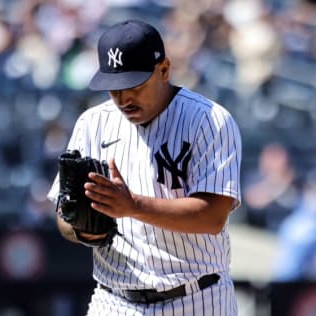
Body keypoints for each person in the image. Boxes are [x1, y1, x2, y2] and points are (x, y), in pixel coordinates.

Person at [47, 19, 242, 315]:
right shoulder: (92, 123)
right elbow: (63, 216)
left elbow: (213, 217)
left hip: (196, 297)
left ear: (163, 69)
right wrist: (84, 230)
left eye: (133, 84)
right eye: (114, 87)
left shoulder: (209, 120)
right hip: (113, 299)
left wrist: (132, 206)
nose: (123, 97)